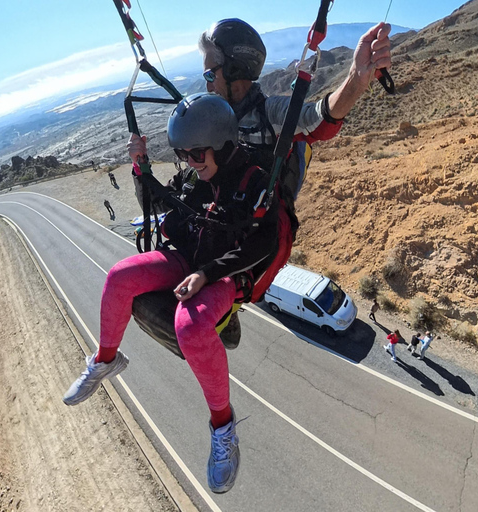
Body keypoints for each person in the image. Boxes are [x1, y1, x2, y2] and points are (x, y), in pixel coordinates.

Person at [63, 93, 284, 494]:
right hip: (187, 257)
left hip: (225, 274)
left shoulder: (253, 181)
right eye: (183, 154)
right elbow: (157, 204)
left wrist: (206, 274)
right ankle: (105, 361)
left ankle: (224, 427)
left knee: (191, 326)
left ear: (223, 145)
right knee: (119, 277)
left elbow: (262, 245)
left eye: (196, 153)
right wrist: (140, 165)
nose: (190, 161)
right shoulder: (194, 179)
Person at [196, 18, 392, 201]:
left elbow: (318, 119)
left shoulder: (270, 113)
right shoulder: (215, 114)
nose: (208, 87)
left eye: (210, 76)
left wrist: (356, 79)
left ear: (233, 70)